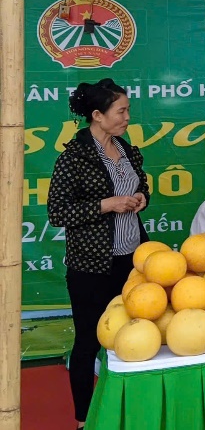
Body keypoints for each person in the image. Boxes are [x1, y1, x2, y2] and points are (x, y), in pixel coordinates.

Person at [47, 79, 150, 429]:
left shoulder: (129, 150)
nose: (127, 117)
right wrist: (106, 205)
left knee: (136, 335)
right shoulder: (73, 157)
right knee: (89, 341)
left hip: (132, 261)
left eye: (127, 110)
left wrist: (140, 200)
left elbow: (142, 185)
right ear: (97, 115)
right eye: (121, 111)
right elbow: (57, 212)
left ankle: (128, 410)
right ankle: (84, 418)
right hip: (91, 266)